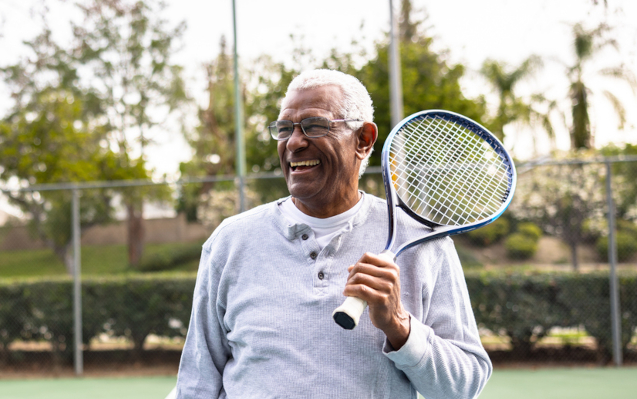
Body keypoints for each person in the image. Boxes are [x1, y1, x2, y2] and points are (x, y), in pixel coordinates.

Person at [175, 69, 491, 398]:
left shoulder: (426, 244)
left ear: (364, 140)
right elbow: (198, 381)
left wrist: (398, 324)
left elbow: (463, 387)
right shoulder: (230, 241)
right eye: (284, 129)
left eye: (315, 126)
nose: (294, 142)